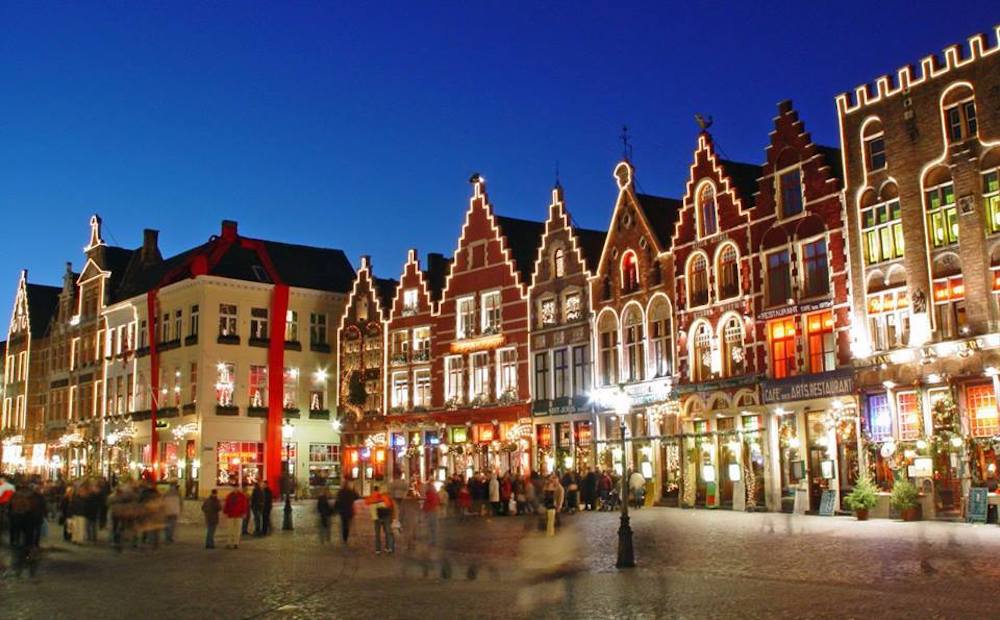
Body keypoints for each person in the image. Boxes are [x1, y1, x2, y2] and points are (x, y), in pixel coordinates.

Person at [365, 485, 394, 554]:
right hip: (386, 516)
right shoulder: (385, 496)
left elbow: (366, 502)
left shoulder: (371, 497)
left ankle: (378, 549)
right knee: (387, 532)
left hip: (376, 517)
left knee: (377, 534)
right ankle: (389, 547)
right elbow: (389, 505)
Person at [333, 481, 359, 546]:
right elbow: (357, 497)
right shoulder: (350, 492)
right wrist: (354, 489)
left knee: (344, 523)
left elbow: (337, 500)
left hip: (342, 511)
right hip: (349, 510)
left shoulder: (340, 492)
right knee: (348, 524)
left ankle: (344, 537)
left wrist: (335, 509)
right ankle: (347, 535)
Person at [421, 481, 440, 546]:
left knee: (431, 526)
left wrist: (424, 510)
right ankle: (433, 540)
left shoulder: (430, 494)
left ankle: (432, 541)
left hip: (431, 512)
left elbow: (428, 504)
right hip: (433, 511)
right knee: (433, 527)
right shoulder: (434, 494)